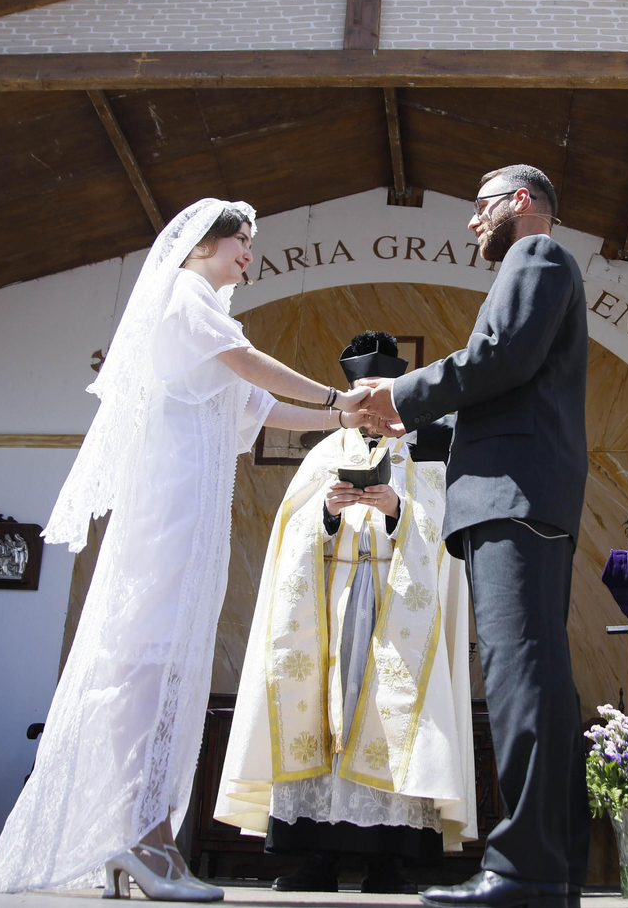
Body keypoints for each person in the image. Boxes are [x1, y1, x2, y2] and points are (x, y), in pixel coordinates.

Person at [0, 199, 372, 901]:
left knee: (169, 664)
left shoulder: (208, 313)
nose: (249, 257)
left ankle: (145, 839)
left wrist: (339, 415)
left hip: (194, 512)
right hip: (168, 504)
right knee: (148, 665)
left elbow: (260, 408)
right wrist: (337, 394)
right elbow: (248, 364)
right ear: (203, 243)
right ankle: (141, 837)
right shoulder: (183, 297)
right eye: (242, 243)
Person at [359, 164, 589, 908]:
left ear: (521, 203)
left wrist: (401, 394)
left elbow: (500, 360)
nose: (471, 223)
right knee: (539, 684)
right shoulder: (533, 267)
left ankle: (524, 869)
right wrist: (406, 420)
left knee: (522, 682)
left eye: (480, 207)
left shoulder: (538, 256)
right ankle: (551, 867)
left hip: (515, 497)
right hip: (518, 491)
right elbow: (501, 390)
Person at [216, 331, 475, 894]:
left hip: (394, 604)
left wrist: (399, 510)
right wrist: (326, 516)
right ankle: (319, 854)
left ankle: (389, 858)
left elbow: (442, 537)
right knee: (324, 718)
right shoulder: (324, 453)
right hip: (329, 608)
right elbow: (288, 530)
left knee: (388, 717)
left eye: (376, 394)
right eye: (358, 395)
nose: (367, 407)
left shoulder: (421, 450)